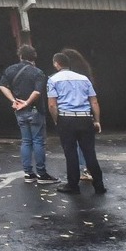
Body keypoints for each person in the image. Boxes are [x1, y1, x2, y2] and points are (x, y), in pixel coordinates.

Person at [0, 44, 58, 184]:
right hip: (35, 110)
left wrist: (13, 100)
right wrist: (27, 102)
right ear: (34, 57)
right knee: (38, 141)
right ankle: (42, 174)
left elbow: (1, 85)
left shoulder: (10, 69)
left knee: (26, 141)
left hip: (19, 110)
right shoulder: (38, 72)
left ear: (20, 56)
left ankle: (28, 173)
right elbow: (37, 92)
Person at [47, 52, 106, 195]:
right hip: (85, 118)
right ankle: (99, 185)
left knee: (70, 153)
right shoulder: (84, 79)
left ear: (56, 64)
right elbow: (94, 102)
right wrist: (97, 120)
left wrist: (56, 120)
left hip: (66, 118)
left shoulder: (53, 80)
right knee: (89, 152)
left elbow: (52, 105)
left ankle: (73, 185)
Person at [60, 48, 94, 182]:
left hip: (67, 114)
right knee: (86, 144)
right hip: (84, 112)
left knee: (71, 145)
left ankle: (78, 170)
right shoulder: (85, 75)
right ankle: (88, 168)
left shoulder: (61, 78)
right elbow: (92, 97)